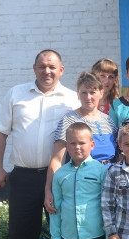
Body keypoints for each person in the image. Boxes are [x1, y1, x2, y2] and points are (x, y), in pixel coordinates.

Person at [0, 49, 79, 239]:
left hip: (59, 177)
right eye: (42, 66)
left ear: (61, 70)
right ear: (34, 68)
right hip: (24, 177)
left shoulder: (72, 99)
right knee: (22, 237)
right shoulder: (16, 94)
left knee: (62, 235)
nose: (46, 71)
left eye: (52, 67)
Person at [45, 72, 117, 214]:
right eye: (84, 93)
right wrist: (49, 190)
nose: (88, 97)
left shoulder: (108, 120)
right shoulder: (70, 119)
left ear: (101, 93)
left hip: (110, 182)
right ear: (78, 94)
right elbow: (57, 159)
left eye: (92, 92)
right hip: (84, 183)